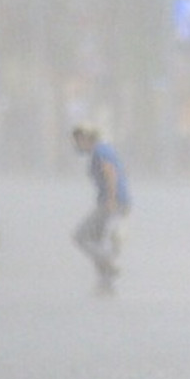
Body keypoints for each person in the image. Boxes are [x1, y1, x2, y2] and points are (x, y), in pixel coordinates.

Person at [72, 125, 132, 295]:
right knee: (99, 240)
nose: (76, 145)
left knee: (81, 236)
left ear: (85, 138)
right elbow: (122, 171)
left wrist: (111, 199)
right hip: (117, 201)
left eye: (77, 140)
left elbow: (110, 172)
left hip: (111, 203)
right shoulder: (104, 149)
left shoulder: (100, 151)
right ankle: (105, 283)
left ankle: (107, 265)